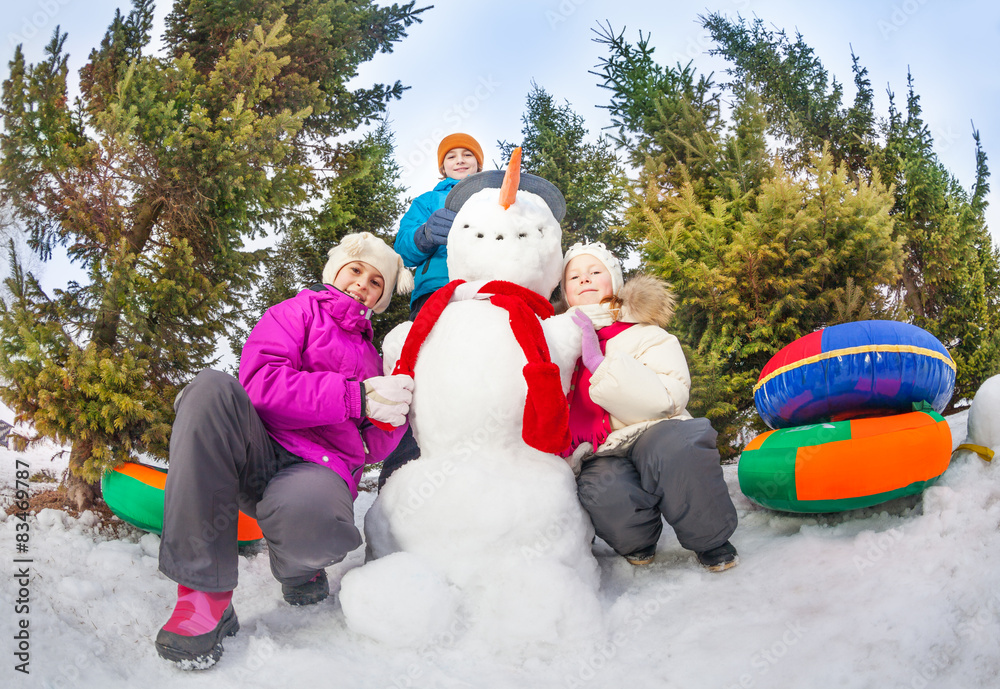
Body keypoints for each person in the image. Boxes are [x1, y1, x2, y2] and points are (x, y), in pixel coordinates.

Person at [155, 232, 415, 668]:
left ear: (382, 296)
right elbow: (261, 386)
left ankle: (297, 567)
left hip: (318, 467)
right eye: (356, 270)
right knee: (209, 389)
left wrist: (395, 412)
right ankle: (204, 596)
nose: (363, 285)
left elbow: (371, 443)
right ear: (336, 271)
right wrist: (355, 397)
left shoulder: (374, 358)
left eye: (376, 282)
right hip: (259, 448)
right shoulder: (293, 314)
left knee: (314, 524)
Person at [560, 241, 739, 572]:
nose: (585, 279)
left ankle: (711, 540)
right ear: (565, 293)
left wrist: (600, 366)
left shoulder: (647, 334)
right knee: (602, 486)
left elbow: (667, 398)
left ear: (614, 282)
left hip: (652, 429)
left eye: (595, 271)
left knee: (679, 448)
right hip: (598, 448)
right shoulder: (556, 342)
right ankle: (638, 543)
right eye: (574, 276)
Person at [378, 133, 483, 487]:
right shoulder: (426, 201)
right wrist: (424, 234)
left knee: (481, 371)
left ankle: (483, 464)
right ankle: (401, 471)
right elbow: (403, 250)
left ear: (479, 163)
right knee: (421, 373)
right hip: (435, 293)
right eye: (451, 156)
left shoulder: (493, 199)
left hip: (485, 294)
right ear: (442, 165)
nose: (459, 160)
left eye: (467, 154)